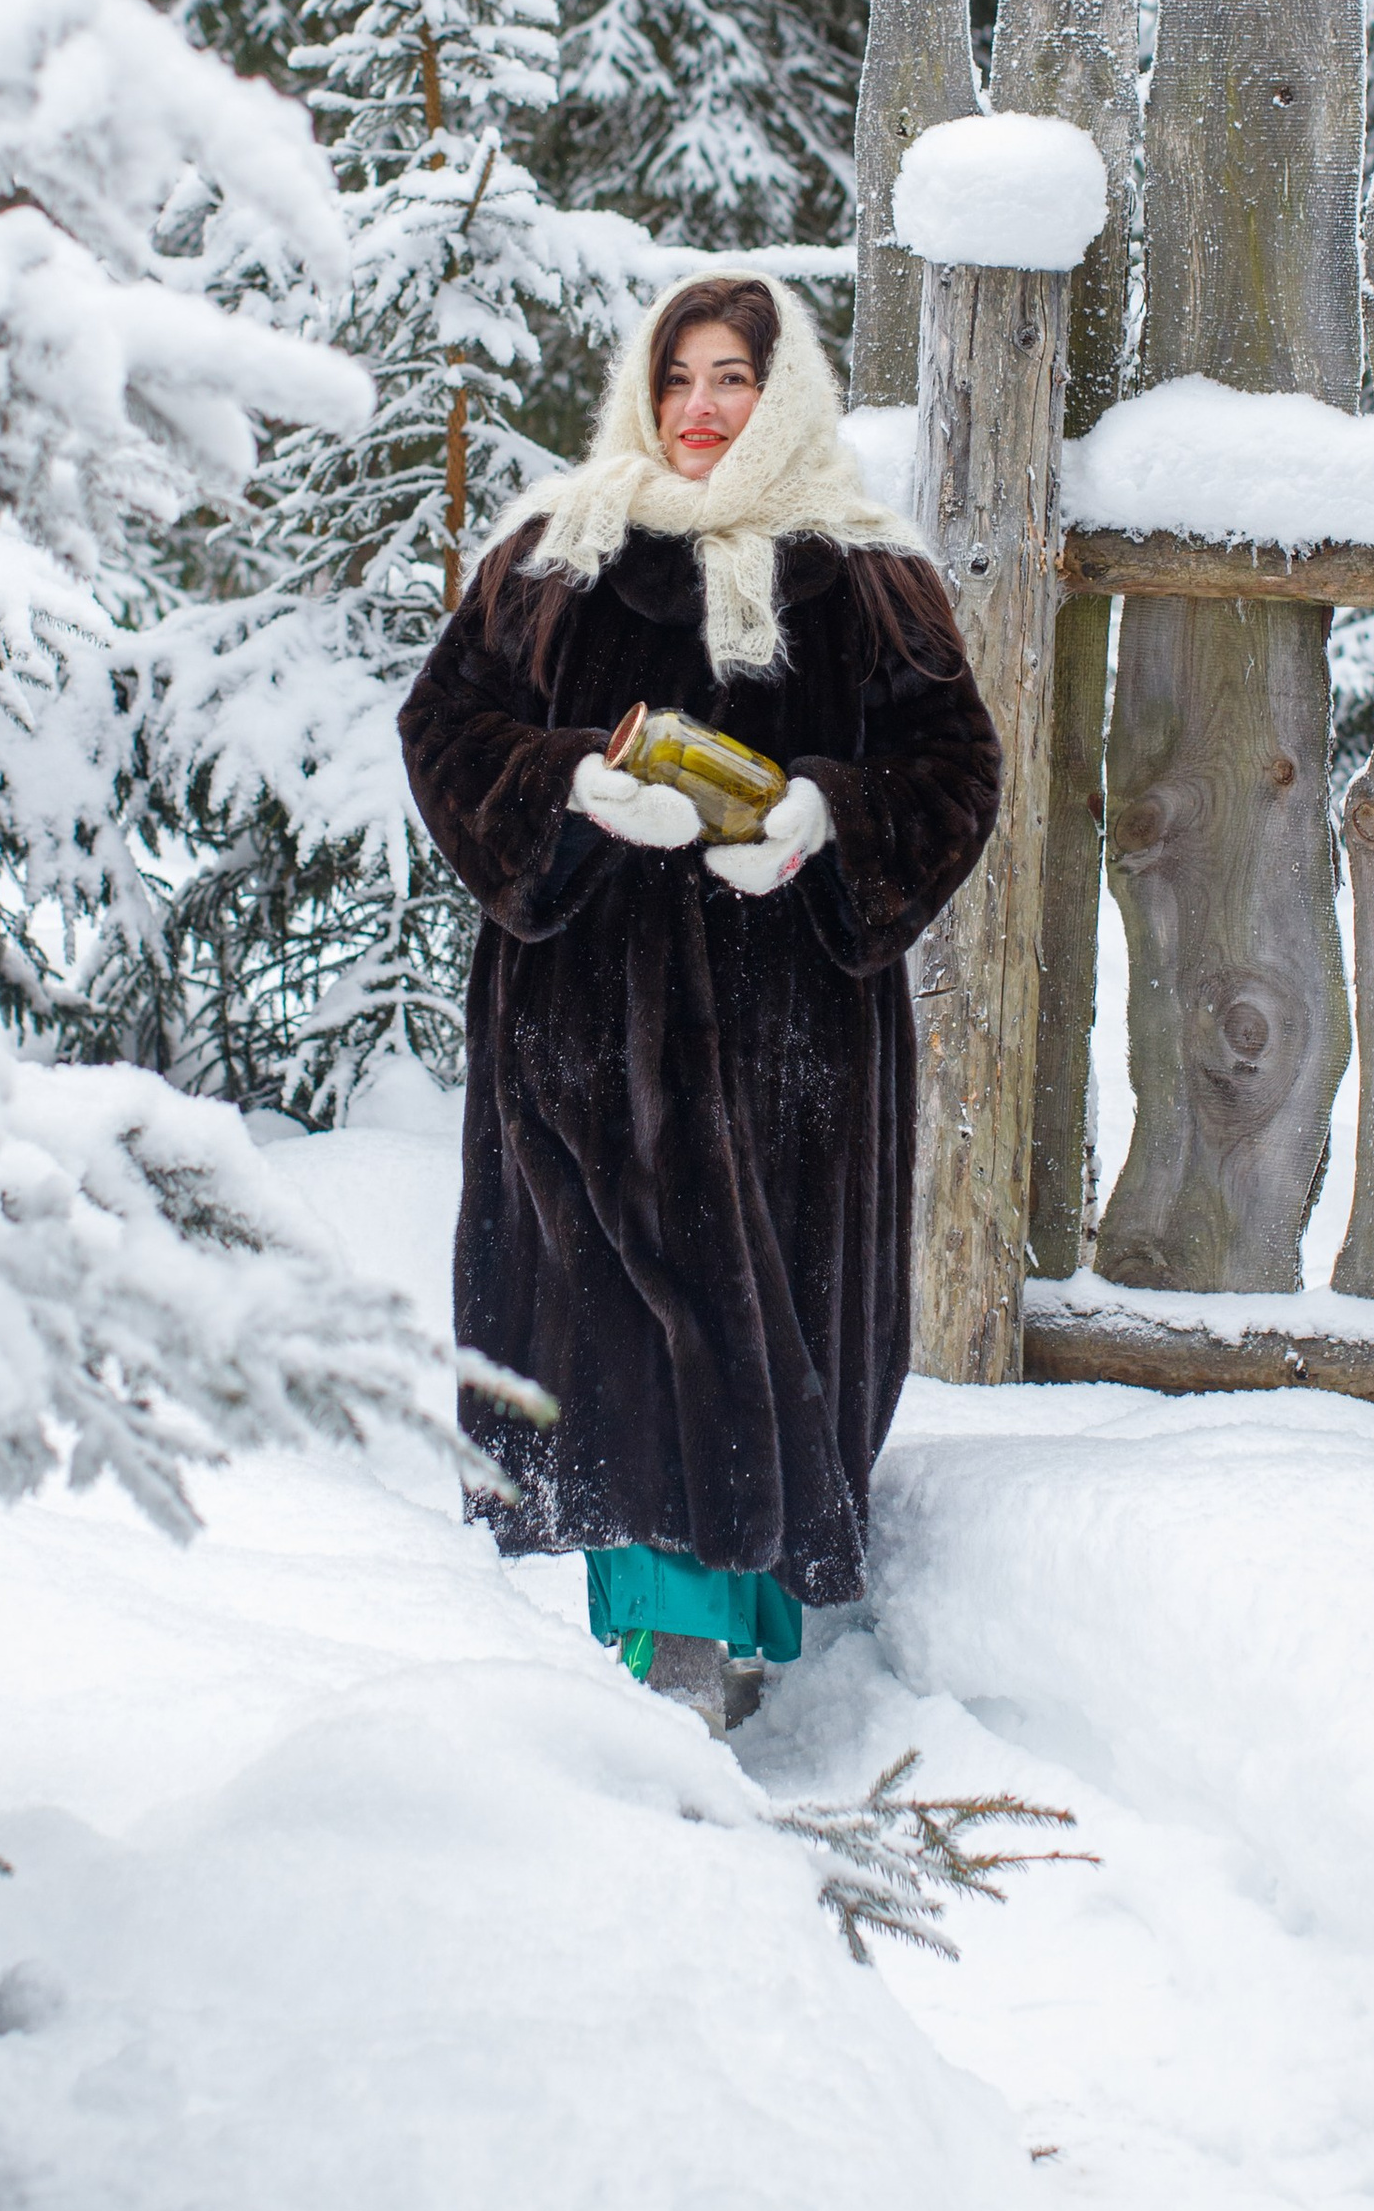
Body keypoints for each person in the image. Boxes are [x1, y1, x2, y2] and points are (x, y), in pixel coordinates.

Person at [398, 273, 1001, 1731]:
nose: (699, 408)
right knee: (618, 1346)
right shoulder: (557, 553)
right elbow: (445, 728)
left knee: (757, 1342)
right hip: (582, 1040)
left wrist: (820, 818)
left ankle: (726, 1653)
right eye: (677, 377)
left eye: (732, 377)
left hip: (790, 1059)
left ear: (782, 392)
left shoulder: (864, 574)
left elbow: (955, 770)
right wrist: (570, 787)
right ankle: (670, 1676)